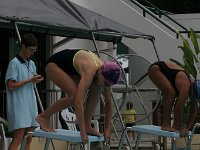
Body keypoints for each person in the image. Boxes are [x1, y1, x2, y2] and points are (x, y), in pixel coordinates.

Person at [36, 49, 121, 145]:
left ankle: (87, 124)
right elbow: (78, 103)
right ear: (101, 71)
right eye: (105, 82)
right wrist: (82, 132)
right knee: (74, 97)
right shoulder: (90, 70)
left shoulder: (105, 77)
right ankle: (43, 117)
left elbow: (109, 103)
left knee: (97, 87)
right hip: (54, 66)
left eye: (108, 84)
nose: (106, 85)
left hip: (72, 69)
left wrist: (107, 130)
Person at [5, 34, 44, 150]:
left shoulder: (31, 63)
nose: (32, 52)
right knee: (18, 139)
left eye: (34, 50)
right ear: (23, 47)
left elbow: (30, 82)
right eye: (31, 49)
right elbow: (10, 86)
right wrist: (29, 80)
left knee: (29, 139)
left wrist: (35, 79)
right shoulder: (14, 63)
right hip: (19, 106)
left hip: (30, 104)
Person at [148, 61, 198, 136]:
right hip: (156, 69)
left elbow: (194, 110)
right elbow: (178, 108)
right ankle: (165, 125)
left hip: (168, 73)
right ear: (192, 89)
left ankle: (175, 125)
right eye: (191, 94)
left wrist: (187, 128)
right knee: (171, 93)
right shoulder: (186, 86)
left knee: (173, 93)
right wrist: (181, 129)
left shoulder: (195, 92)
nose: (190, 96)